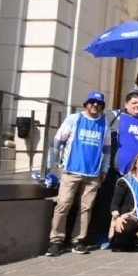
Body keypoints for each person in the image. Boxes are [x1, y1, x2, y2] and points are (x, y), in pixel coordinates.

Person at [45, 90, 112, 256]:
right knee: (63, 205)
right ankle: (56, 241)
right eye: (92, 102)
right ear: (86, 104)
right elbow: (57, 140)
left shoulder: (104, 123)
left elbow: (107, 149)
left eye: (99, 103)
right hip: (71, 170)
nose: (95, 106)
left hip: (93, 173)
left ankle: (78, 240)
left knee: (86, 208)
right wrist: (51, 164)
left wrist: (104, 169)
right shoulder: (74, 119)